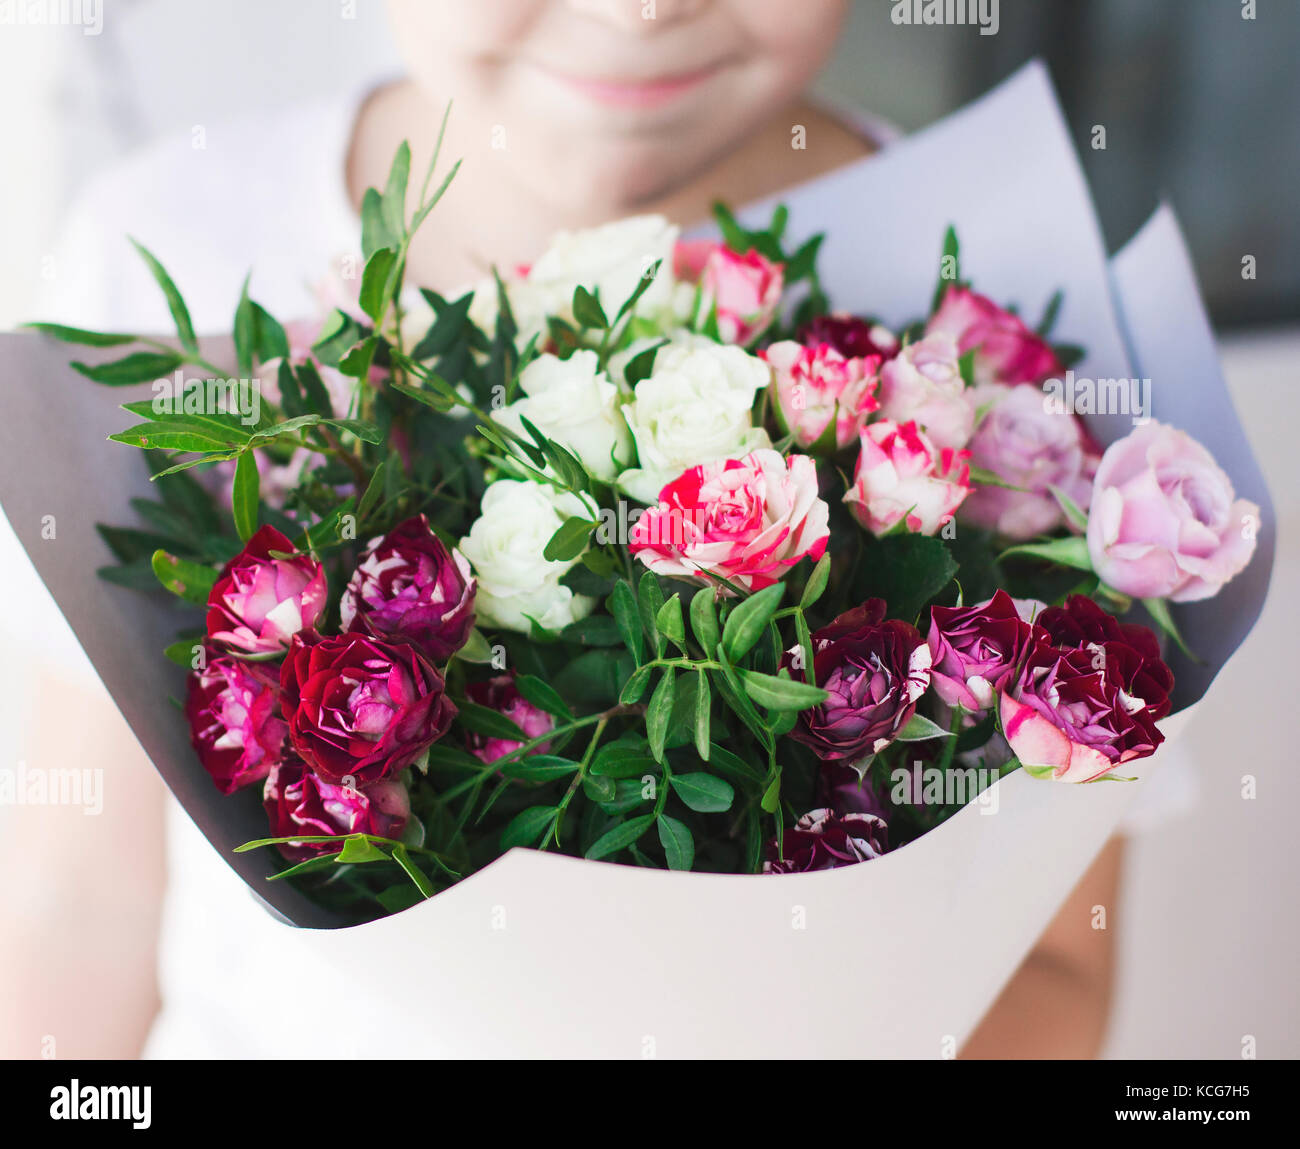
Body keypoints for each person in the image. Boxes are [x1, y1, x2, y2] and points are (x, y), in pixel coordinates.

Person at [0, 0, 1143, 1059]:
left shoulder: (999, 313)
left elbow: (1050, 964)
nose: (641, 8)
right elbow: (84, 901)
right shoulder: (173, 243)